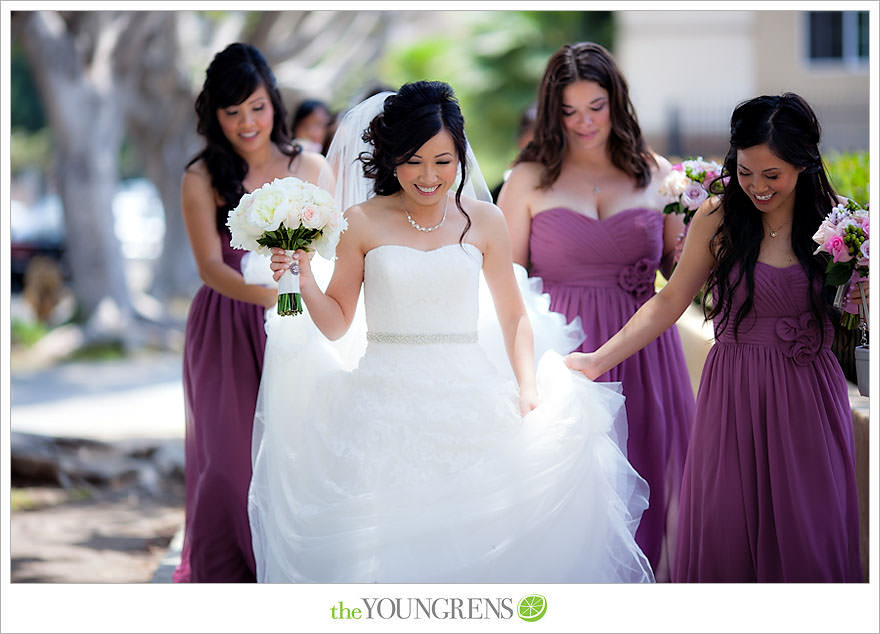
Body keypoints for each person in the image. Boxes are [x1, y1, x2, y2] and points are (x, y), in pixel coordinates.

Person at [247, 80, 654, 583]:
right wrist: (306, 278)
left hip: (471, 399)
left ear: (460, 157)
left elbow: (513, 316)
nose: (428, 175)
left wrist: (528, 387)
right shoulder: (360, 222)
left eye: (443, 160)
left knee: (477, 547)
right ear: (391, 158)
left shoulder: (484, 220)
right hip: (382, 406)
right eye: (414, 160)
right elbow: (336, 326)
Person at [565, 93, 863, 582]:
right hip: (735, 393)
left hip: (808, 396)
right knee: (728, 532)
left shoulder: (839, 225)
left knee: (810, 534)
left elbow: (859, 312)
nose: (758, 187)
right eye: (746, 172)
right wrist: (597, 360)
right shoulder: (718, 217)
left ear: (805, 164)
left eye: (774, 175)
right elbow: (668, 301)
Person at [496, 42, 694, 580]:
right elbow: (504, 285)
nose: (585, 123)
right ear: (553, 112)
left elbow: (684, 272)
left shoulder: (655, 174)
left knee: (658, 488)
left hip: (648, 354)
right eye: (570, 111)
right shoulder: (526, 180)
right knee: (576, 501)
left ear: (618, 102)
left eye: (596, 106)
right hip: (565, 359)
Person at [174, 42, 328, 583]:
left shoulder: (309, 165)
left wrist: (300, 294)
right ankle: (228, 579)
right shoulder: (202, 176)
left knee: (296, 453)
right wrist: (271, 295)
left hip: (302, 324)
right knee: (230, 464)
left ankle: (290, 573)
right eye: (232, 111)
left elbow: (333, 245)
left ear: (274, 104)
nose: (246, 122)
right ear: (213, 114)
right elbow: (211, 268)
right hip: (227, 324)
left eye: (256, 107)